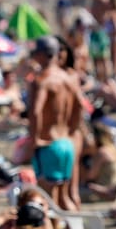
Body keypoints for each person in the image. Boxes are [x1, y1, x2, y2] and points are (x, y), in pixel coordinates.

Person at [28, 36, 84, 211]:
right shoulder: (68, 77)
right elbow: (80, 105)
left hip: (49, 144)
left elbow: (36, 111)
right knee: (64, 196)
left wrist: (35, 138)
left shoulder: (43, 79)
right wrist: (71, 129)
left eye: (35, 53)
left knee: (49, 201)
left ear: (44, 55)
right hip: (66, 142)